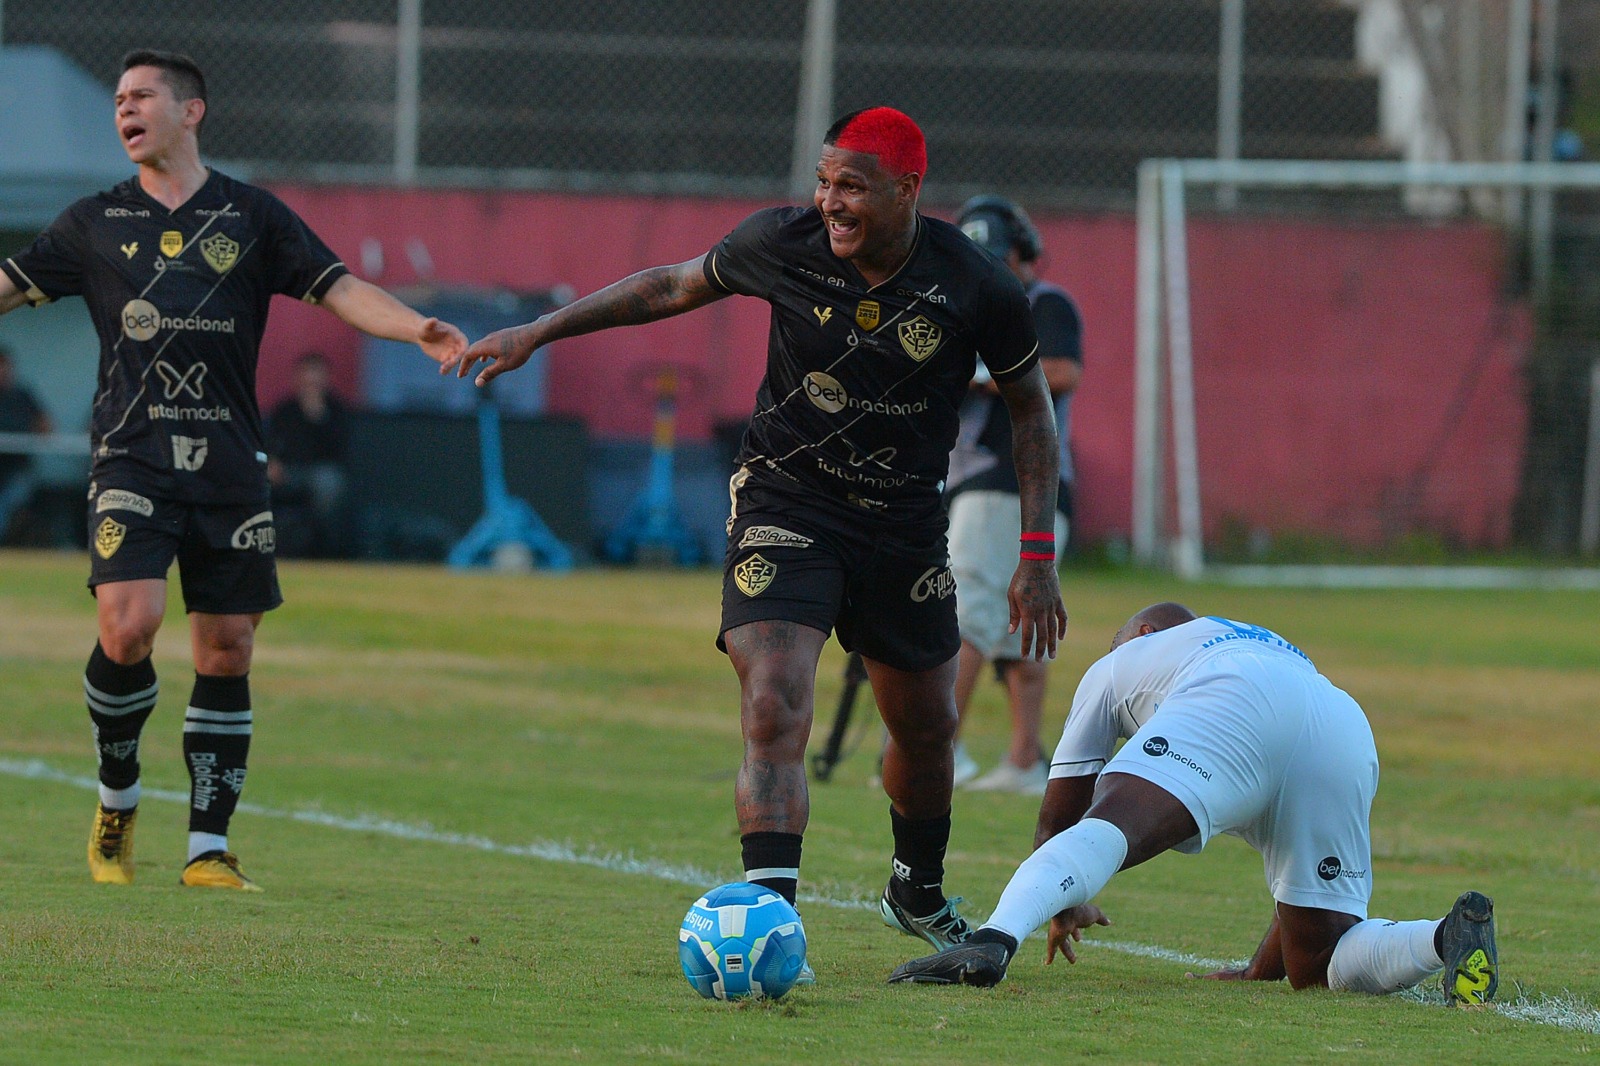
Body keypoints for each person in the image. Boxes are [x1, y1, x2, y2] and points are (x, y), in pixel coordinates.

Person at [449, 106, 1067, 960]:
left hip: (904, 523)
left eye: (851, 186)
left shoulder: (976, 285)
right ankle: (774, 920)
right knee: (773, 697)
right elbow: (668, 285)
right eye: (822, 181)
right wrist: (535, 333)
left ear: (908, 190)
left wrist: (1037, 557)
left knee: (926, 730)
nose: (829, 202)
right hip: (788, 503)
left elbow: (1033, 413)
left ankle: (916, 892)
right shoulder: (780, 243)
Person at [0, 50, 466, 891]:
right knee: (129, 625)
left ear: (192, 111)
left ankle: (206, 850)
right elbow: (8, 284)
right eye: (117, 101)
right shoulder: (92, 221)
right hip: (133, 456)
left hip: (229, 464)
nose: (124, 111)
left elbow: (339, 287)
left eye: (141, 97)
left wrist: (416, 329)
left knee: (228, 645)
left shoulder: (252, 215)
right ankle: (117, 798)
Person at [889, 603, 1499, 1008]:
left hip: (1234, 701)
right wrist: (1261, 970)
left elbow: (1060, 816)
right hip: (1339, 720)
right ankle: (1446, 941)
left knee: (1112, 828)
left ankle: (993, 940)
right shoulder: (1254, 640)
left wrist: (1056, 905)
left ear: (1146, 635)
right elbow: (1281, 740)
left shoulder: (1123, 661)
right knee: (1318, 961)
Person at [946, 196, 1083, 794]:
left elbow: (1061, 371)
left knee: (969, 614)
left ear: (1023, 257)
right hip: (999, 483)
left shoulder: (1042, 303)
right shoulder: (963, 308)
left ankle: (939, 746)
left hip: (1008, 479)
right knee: (1017, 621)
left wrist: (979, 375)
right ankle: (1025, 760)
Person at [266, 351, 352, 558]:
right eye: (307, 374)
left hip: (319, 474)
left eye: (317, 374)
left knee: (328, 482)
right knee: (259, 479)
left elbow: (338, 452)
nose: (311, 380)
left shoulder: (336, 410)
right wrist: (272, 463)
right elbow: (269, 443)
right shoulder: (284, 410)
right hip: (287, 473)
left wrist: (317, 416)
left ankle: (322, 546)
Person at [0, 344, 54, 542]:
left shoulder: (22, 395)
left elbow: (46, 426)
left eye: (5, 366)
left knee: (6, 503)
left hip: (17, 469)